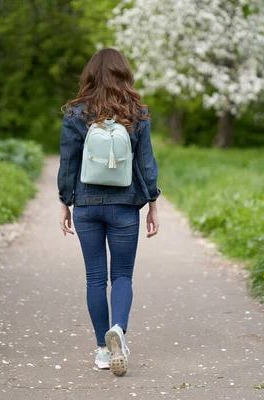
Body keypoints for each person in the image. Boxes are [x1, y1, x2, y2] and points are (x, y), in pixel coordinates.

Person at [57, 48, 161, 377]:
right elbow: (146, 164)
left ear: (89, 75)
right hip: (124, 206)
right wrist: (152, 203)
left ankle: (103, 350)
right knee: (122, 276)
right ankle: (118, 329)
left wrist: (65, 201)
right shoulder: (137, 112)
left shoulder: (76, 114)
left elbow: (68, 163)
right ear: (124, 75)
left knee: (95, 279)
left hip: (87, 206)